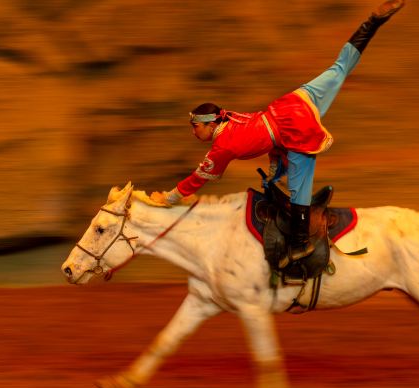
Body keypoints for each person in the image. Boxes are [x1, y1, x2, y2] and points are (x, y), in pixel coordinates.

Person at [152, 0, 405, 265]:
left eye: (196, 127)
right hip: (292, 103)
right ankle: (372, 23)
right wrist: (276, 165)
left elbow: (198, 177)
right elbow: (264, 135)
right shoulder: (232, 119)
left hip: (293, 130)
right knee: (339, 69)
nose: (193, 132)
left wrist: (170, 197)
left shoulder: (222, 147)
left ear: (210, 124)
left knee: (299, 191)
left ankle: (300, 244)